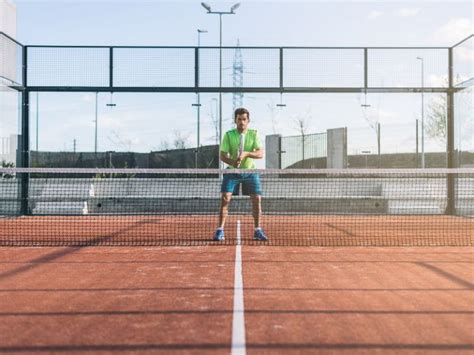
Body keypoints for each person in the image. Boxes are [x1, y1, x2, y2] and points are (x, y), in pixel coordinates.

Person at [213, 107, 268, 242]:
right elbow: (222, 155)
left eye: (244, 119)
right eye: (239, 119)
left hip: (250, 172)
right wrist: (233, 161)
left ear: (248, 120)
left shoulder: (254, 134)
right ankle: (220, 230)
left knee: (257, 199)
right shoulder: (229, 135)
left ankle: (257, 230)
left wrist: (246, 154)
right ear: (235, 120)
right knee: (225, 198)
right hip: (232, 172)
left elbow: (260, 154)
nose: (242, 122)